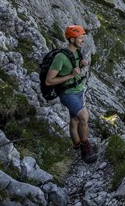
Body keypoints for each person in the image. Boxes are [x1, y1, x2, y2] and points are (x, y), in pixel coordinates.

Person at [45, 24, 97, 163]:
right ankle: (86, 147)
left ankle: (76, 145)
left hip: (78, 91)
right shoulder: (60, 57)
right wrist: (70, 76)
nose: (83, 40)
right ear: (72, 39)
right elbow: (49, 81)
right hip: (68, 94)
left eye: (83, 37)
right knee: (84, 117)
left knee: (74, 120)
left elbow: (73, 68)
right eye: (80, 38)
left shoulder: (76, 52)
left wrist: (82, 65)